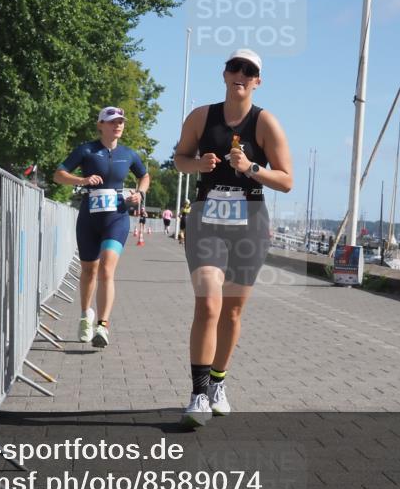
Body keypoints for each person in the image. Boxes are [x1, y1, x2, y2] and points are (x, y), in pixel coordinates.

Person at [173, 48, 292, 427]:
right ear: (225, 75)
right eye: (234, 67)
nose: (241, 74)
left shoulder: (265, 123)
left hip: (250, 225)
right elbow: (179, 158)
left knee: (233, 310)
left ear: (258, 81)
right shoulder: (201, 117)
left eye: (249, 70)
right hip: (207, 219)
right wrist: (198, 164)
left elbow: (286, 180)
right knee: (208, 305)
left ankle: (218, 384)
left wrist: (253, 167)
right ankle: (197, 393)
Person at [53, 106, 149, 348]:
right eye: (112, 121)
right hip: (89, 219)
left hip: (117, 217)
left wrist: (140, 193)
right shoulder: (86, 150)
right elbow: (59, 175)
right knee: (89, 271)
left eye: (121, 122)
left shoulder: (129, 154)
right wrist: (82, 180)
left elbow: (144, 176)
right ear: (101, 125)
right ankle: (86, 315)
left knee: (107, 268)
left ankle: (103, 326)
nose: (118, 125)